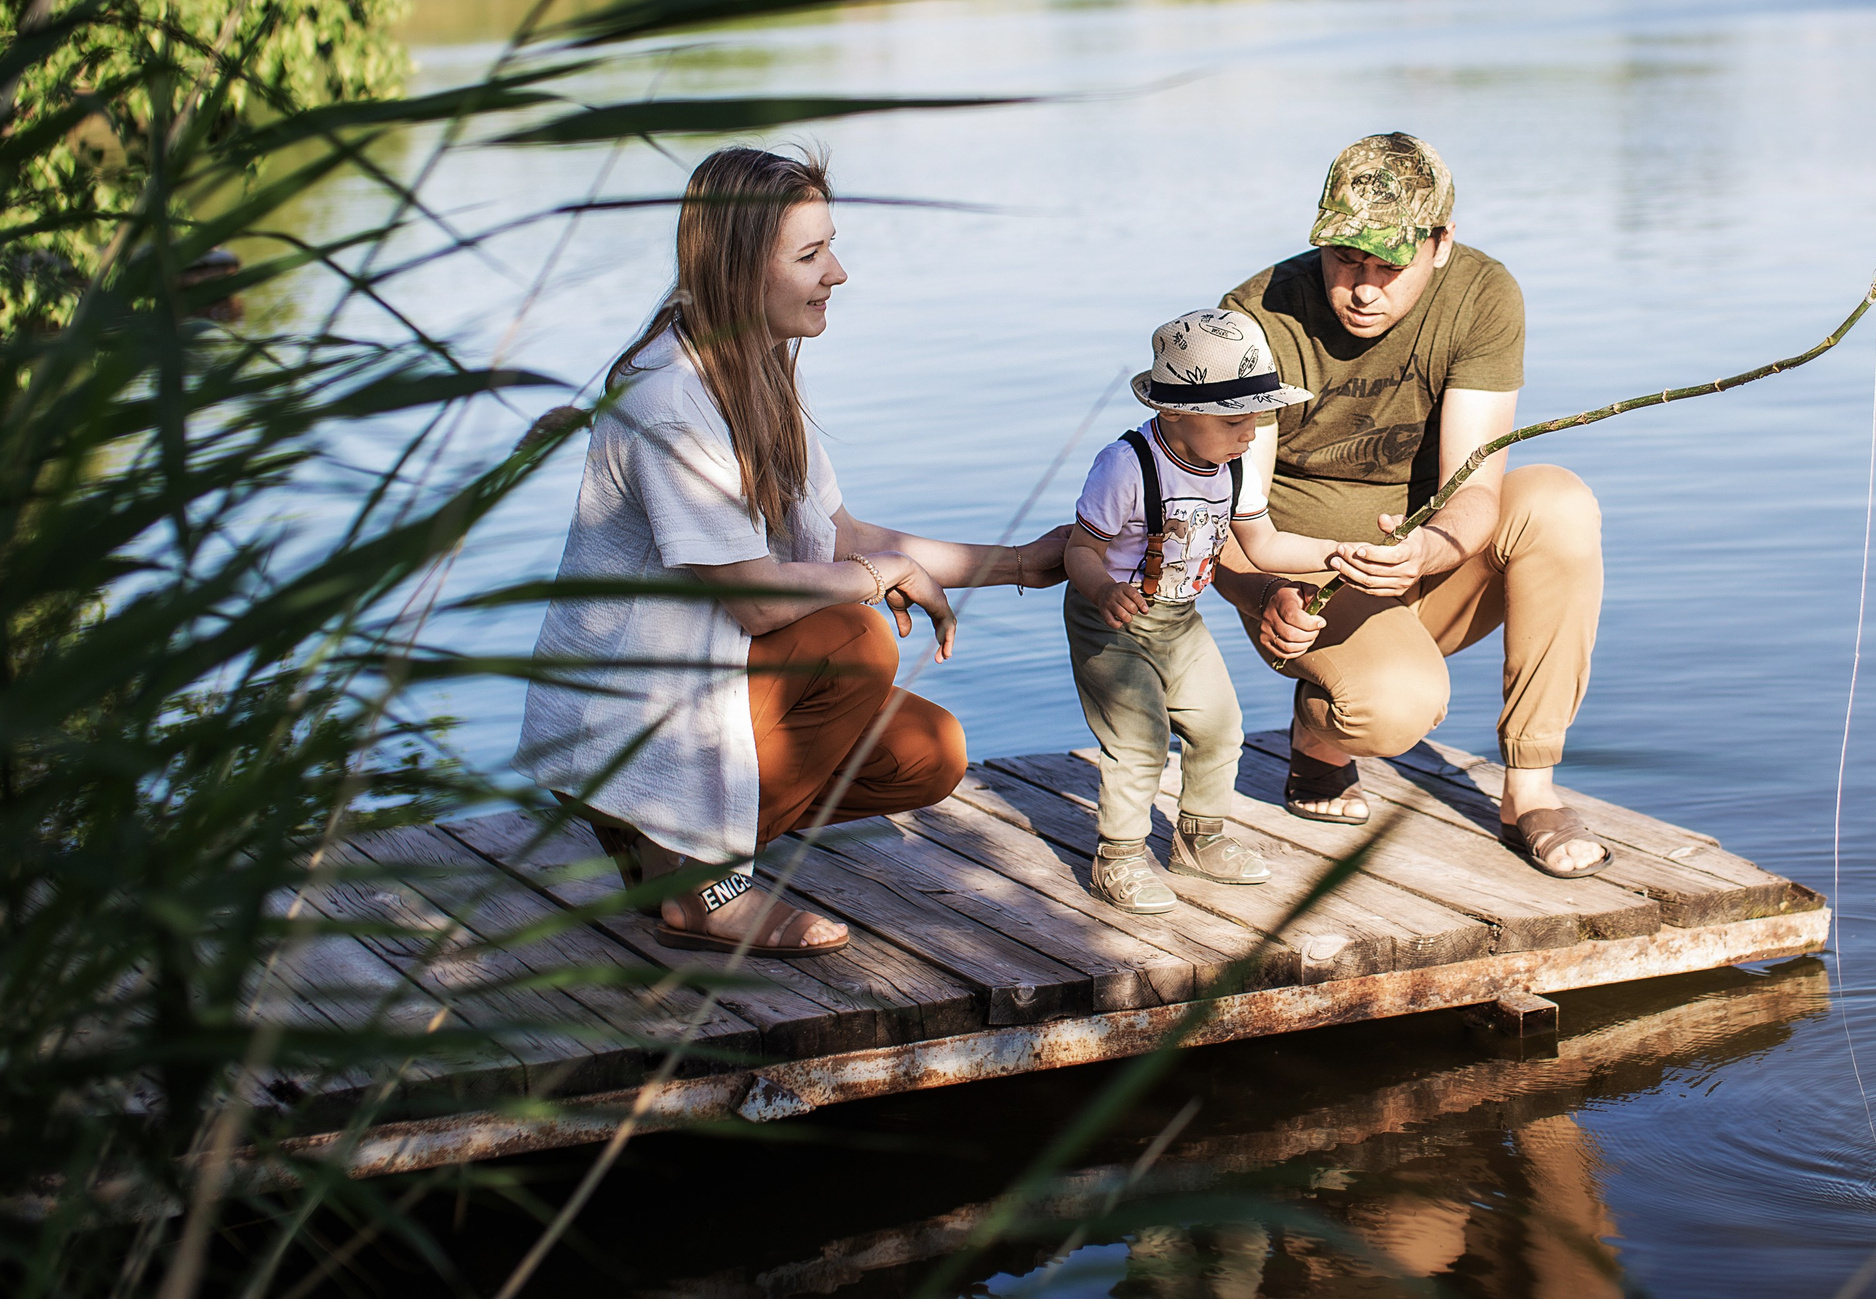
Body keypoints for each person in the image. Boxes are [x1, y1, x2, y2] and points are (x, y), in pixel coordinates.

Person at [513, 146, 1067, 957]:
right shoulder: (669, 398)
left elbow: (840, 535)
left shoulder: (753, 368)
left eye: (830, 247)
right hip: (628, 716)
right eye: (810, 255)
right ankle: (705, 887)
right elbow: (759, 600)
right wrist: (880, 581)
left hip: (699, 695)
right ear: (740, 268)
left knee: (929, 755)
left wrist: (1023, 561)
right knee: (854, 639)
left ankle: (657, 842)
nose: (837, 272)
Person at [1214, 133, 1612, 877]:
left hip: (1431, 557)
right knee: (1394, 706)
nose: (1363, 289)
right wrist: (1265, 593)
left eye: (1388, 265)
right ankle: (1323, 731)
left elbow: (1479, 487)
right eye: (1344, 260)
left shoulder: (1482, 296)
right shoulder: (1253, 325)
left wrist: (1425, 552)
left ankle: (1529, 792)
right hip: (1308, 582)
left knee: (1559, 503)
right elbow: (1217, 518)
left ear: (1441, 242)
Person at [1062, 309, 1343, 912]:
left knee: (1220, 726)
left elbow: (1262, 543)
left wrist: (1336, 552)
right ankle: (1119, 856)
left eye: (1259, 418)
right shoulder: (1127, 465)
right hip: (1112, 620)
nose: (1252, 433)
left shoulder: (1235, 463)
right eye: (1237, 419)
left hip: (1179, 619)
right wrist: (1103, 591)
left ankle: (1199, 838)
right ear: (1176, 413)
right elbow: (1080, 549)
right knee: (1139, 739)